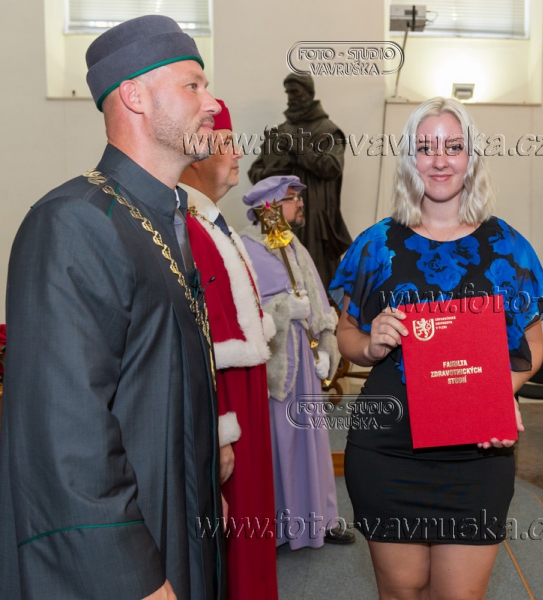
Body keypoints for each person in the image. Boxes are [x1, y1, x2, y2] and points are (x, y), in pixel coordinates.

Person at [0, 15, 225, 599]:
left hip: (173, 512)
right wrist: (133, 578)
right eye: (193, 85)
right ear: (134, 96)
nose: (213, 103)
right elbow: (66, 431)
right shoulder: (74, 222)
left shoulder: (162, 219)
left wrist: (203, 487)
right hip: (118, 558)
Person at [329, 97, 543, 599]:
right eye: (426, 147)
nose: (440, 160)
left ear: (471, 156)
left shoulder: (508, 246)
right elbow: (347, 337)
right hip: (388, 449)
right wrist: (371, 343)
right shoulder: (377, 245)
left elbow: (533, 350)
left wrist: (495, 394)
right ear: (410, 157)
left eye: (453, 146)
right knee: (400, 590)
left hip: (476, 452)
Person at [180, 101, 279, 599]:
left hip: (245, 393)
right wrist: (219, 433)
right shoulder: (186, 226)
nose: (240, 153)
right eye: (228, 144)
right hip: (228, 402)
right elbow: (203, 341)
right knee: (235, 535)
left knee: (253, 521)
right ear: (197, 154)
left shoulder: (212, 221)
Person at [240, 175, 355, 548]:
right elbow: (242, 310)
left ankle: (321, 520)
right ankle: (280, 528)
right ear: (270, 207)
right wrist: (282, 309)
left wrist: (326, 347)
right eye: (292, 198)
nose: (301, 204)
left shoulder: (293, 245)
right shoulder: (245, 248)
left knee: (313, 441)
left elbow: (318, 300)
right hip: (276, 367)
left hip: (306, 363)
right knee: (282, 444)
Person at [248, 73, 352, 285]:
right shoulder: (280, 132)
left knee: (315, 279)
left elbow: (332, 167)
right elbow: (254, 172)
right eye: (288, 93)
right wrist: (272, 173)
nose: (290, 97)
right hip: (274, 215)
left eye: (295, 92)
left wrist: (297, 148)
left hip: (311, 217)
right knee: (277, 275)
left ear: (309, 93)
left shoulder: (327, 130)